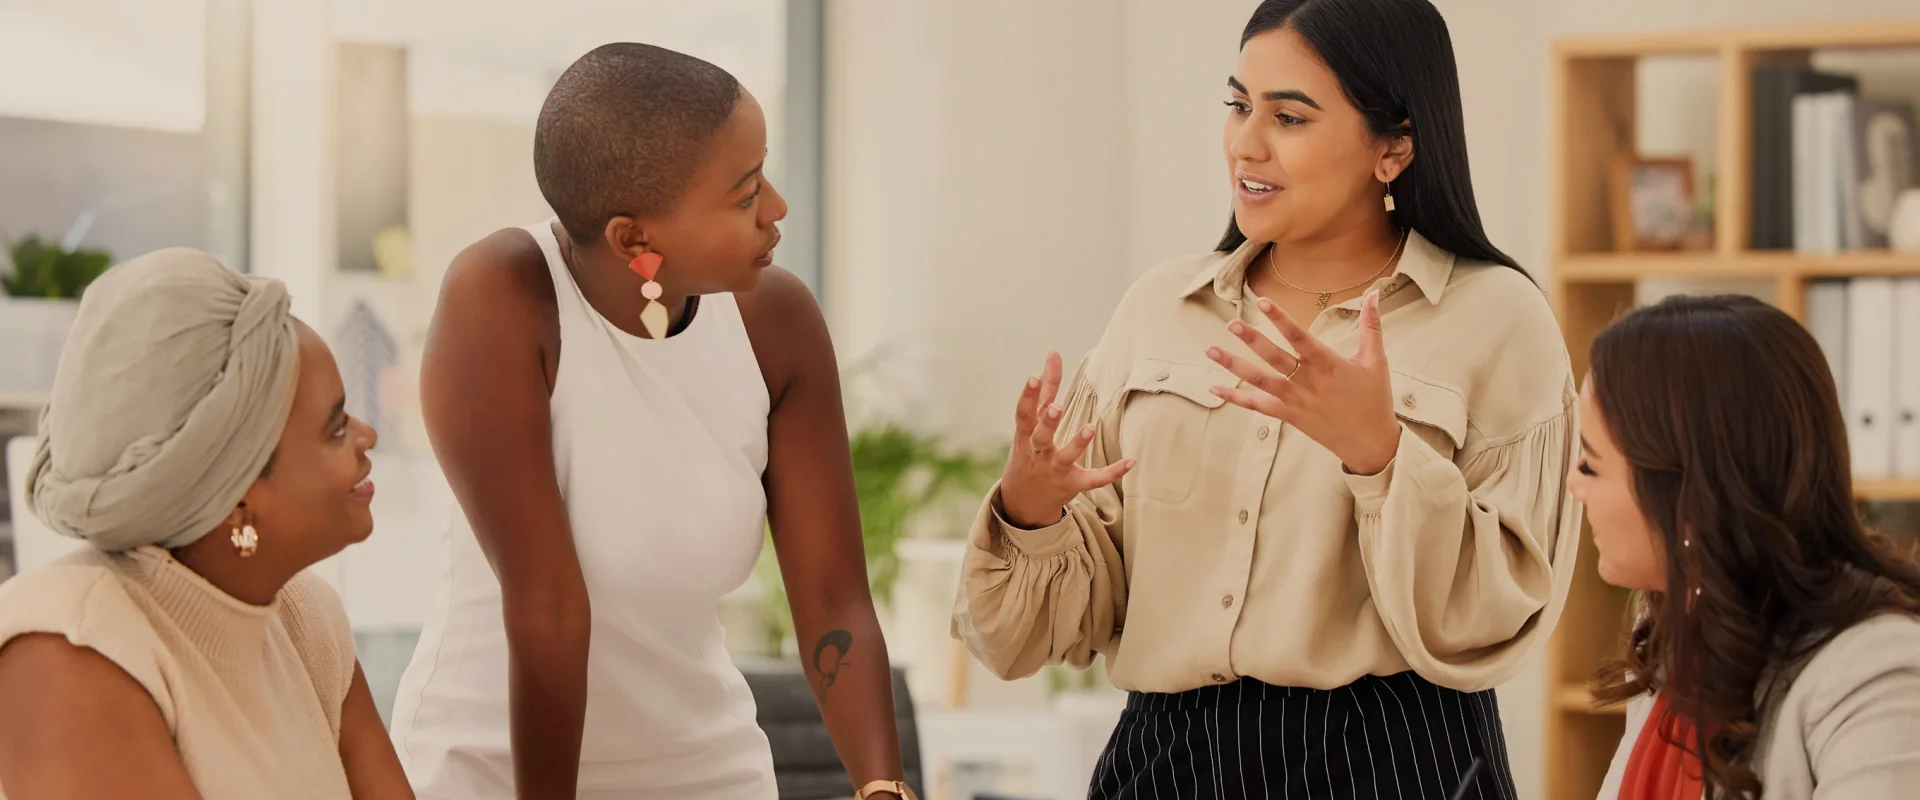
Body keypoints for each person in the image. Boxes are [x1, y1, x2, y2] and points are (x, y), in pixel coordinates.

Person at [953, 0, 1583, 797]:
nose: (1246, 143)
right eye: (1239, 105)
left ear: (1393, 147)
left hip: (1393, 760)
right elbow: (1040, 632)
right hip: (1164, 762)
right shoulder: (1158, 311)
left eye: (1289, 117)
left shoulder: (1496, 319)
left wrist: (1381, 456)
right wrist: (1031, 510)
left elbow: (1497, 615)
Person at [387, 43, 911, 800]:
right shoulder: (501, 296)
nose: (777, 209)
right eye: (743, 195)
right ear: (636, 239)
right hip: (493, 768)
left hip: (703, 769)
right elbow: (549, 607)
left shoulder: (777, 321)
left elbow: (832, 600)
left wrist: (883, 788)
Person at [0, 249, 411, 799]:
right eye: (335, 429)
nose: (368, 436)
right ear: (237, 495)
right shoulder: (73, 651)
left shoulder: (308, 620)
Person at [1575, 295, 1920, 800]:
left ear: (1688, 494)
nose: (1572, 485)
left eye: (1590, 465)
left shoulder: (1874, 671)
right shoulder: (1673, 631)